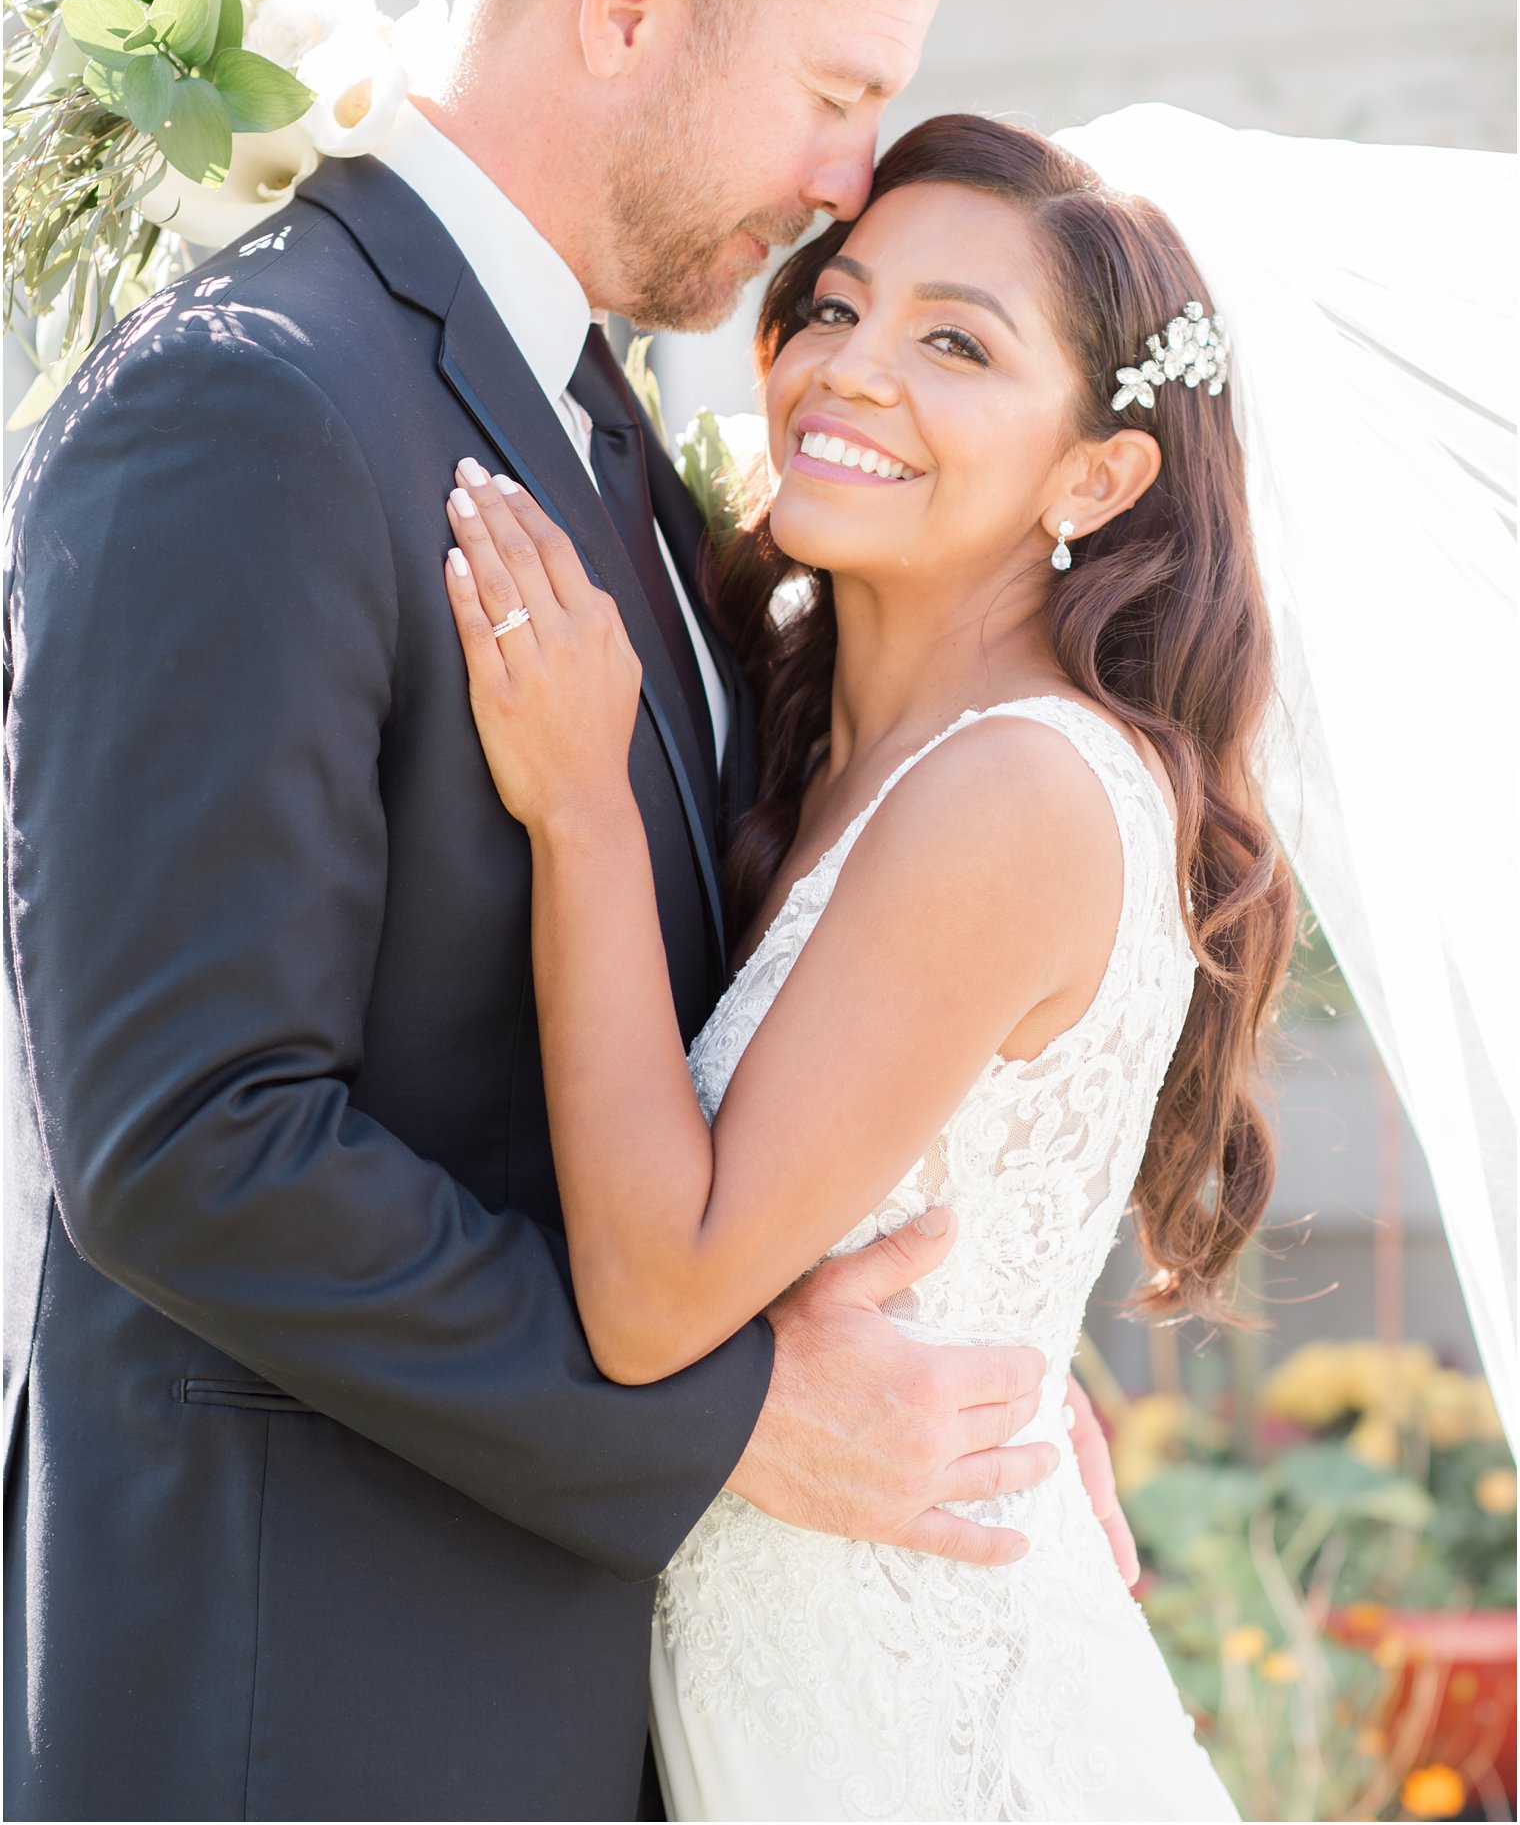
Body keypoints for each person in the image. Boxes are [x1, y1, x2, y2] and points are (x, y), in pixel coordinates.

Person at [3, 0, 1126, 1824]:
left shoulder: (598, 429)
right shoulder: (253, 403)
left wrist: (952, 1318)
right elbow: (187, 1141)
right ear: (628, 5)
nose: (844, 179)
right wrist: (729, 1419)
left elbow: (700, 1026)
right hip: (309, 1717)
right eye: (830, 88)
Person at [440, 112, 1300, 1822]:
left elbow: (656, 1286)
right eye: (836, 307)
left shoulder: (1016, 791)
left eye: (956, 344)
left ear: (1095, 476)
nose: (852, 370)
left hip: (927, 1748)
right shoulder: (812, 731)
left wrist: (582, 811)